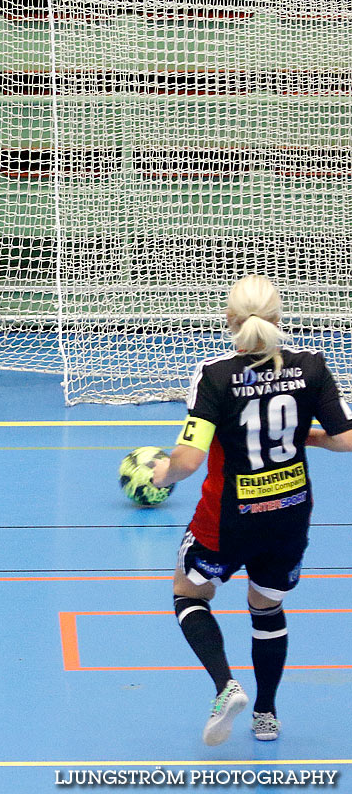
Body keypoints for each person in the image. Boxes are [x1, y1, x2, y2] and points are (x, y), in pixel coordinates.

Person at [150, 274, 352, 744]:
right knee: (267, 607)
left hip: (229, 516)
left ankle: (226, 686)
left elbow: (190, 458)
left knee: (189, 595)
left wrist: (163, 474)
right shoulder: (313, 366)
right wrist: (310, 437)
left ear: (229, 320)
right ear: (279, 319)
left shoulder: (216, 375)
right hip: (289, 513)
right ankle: (266, 714)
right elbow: (344, 439)